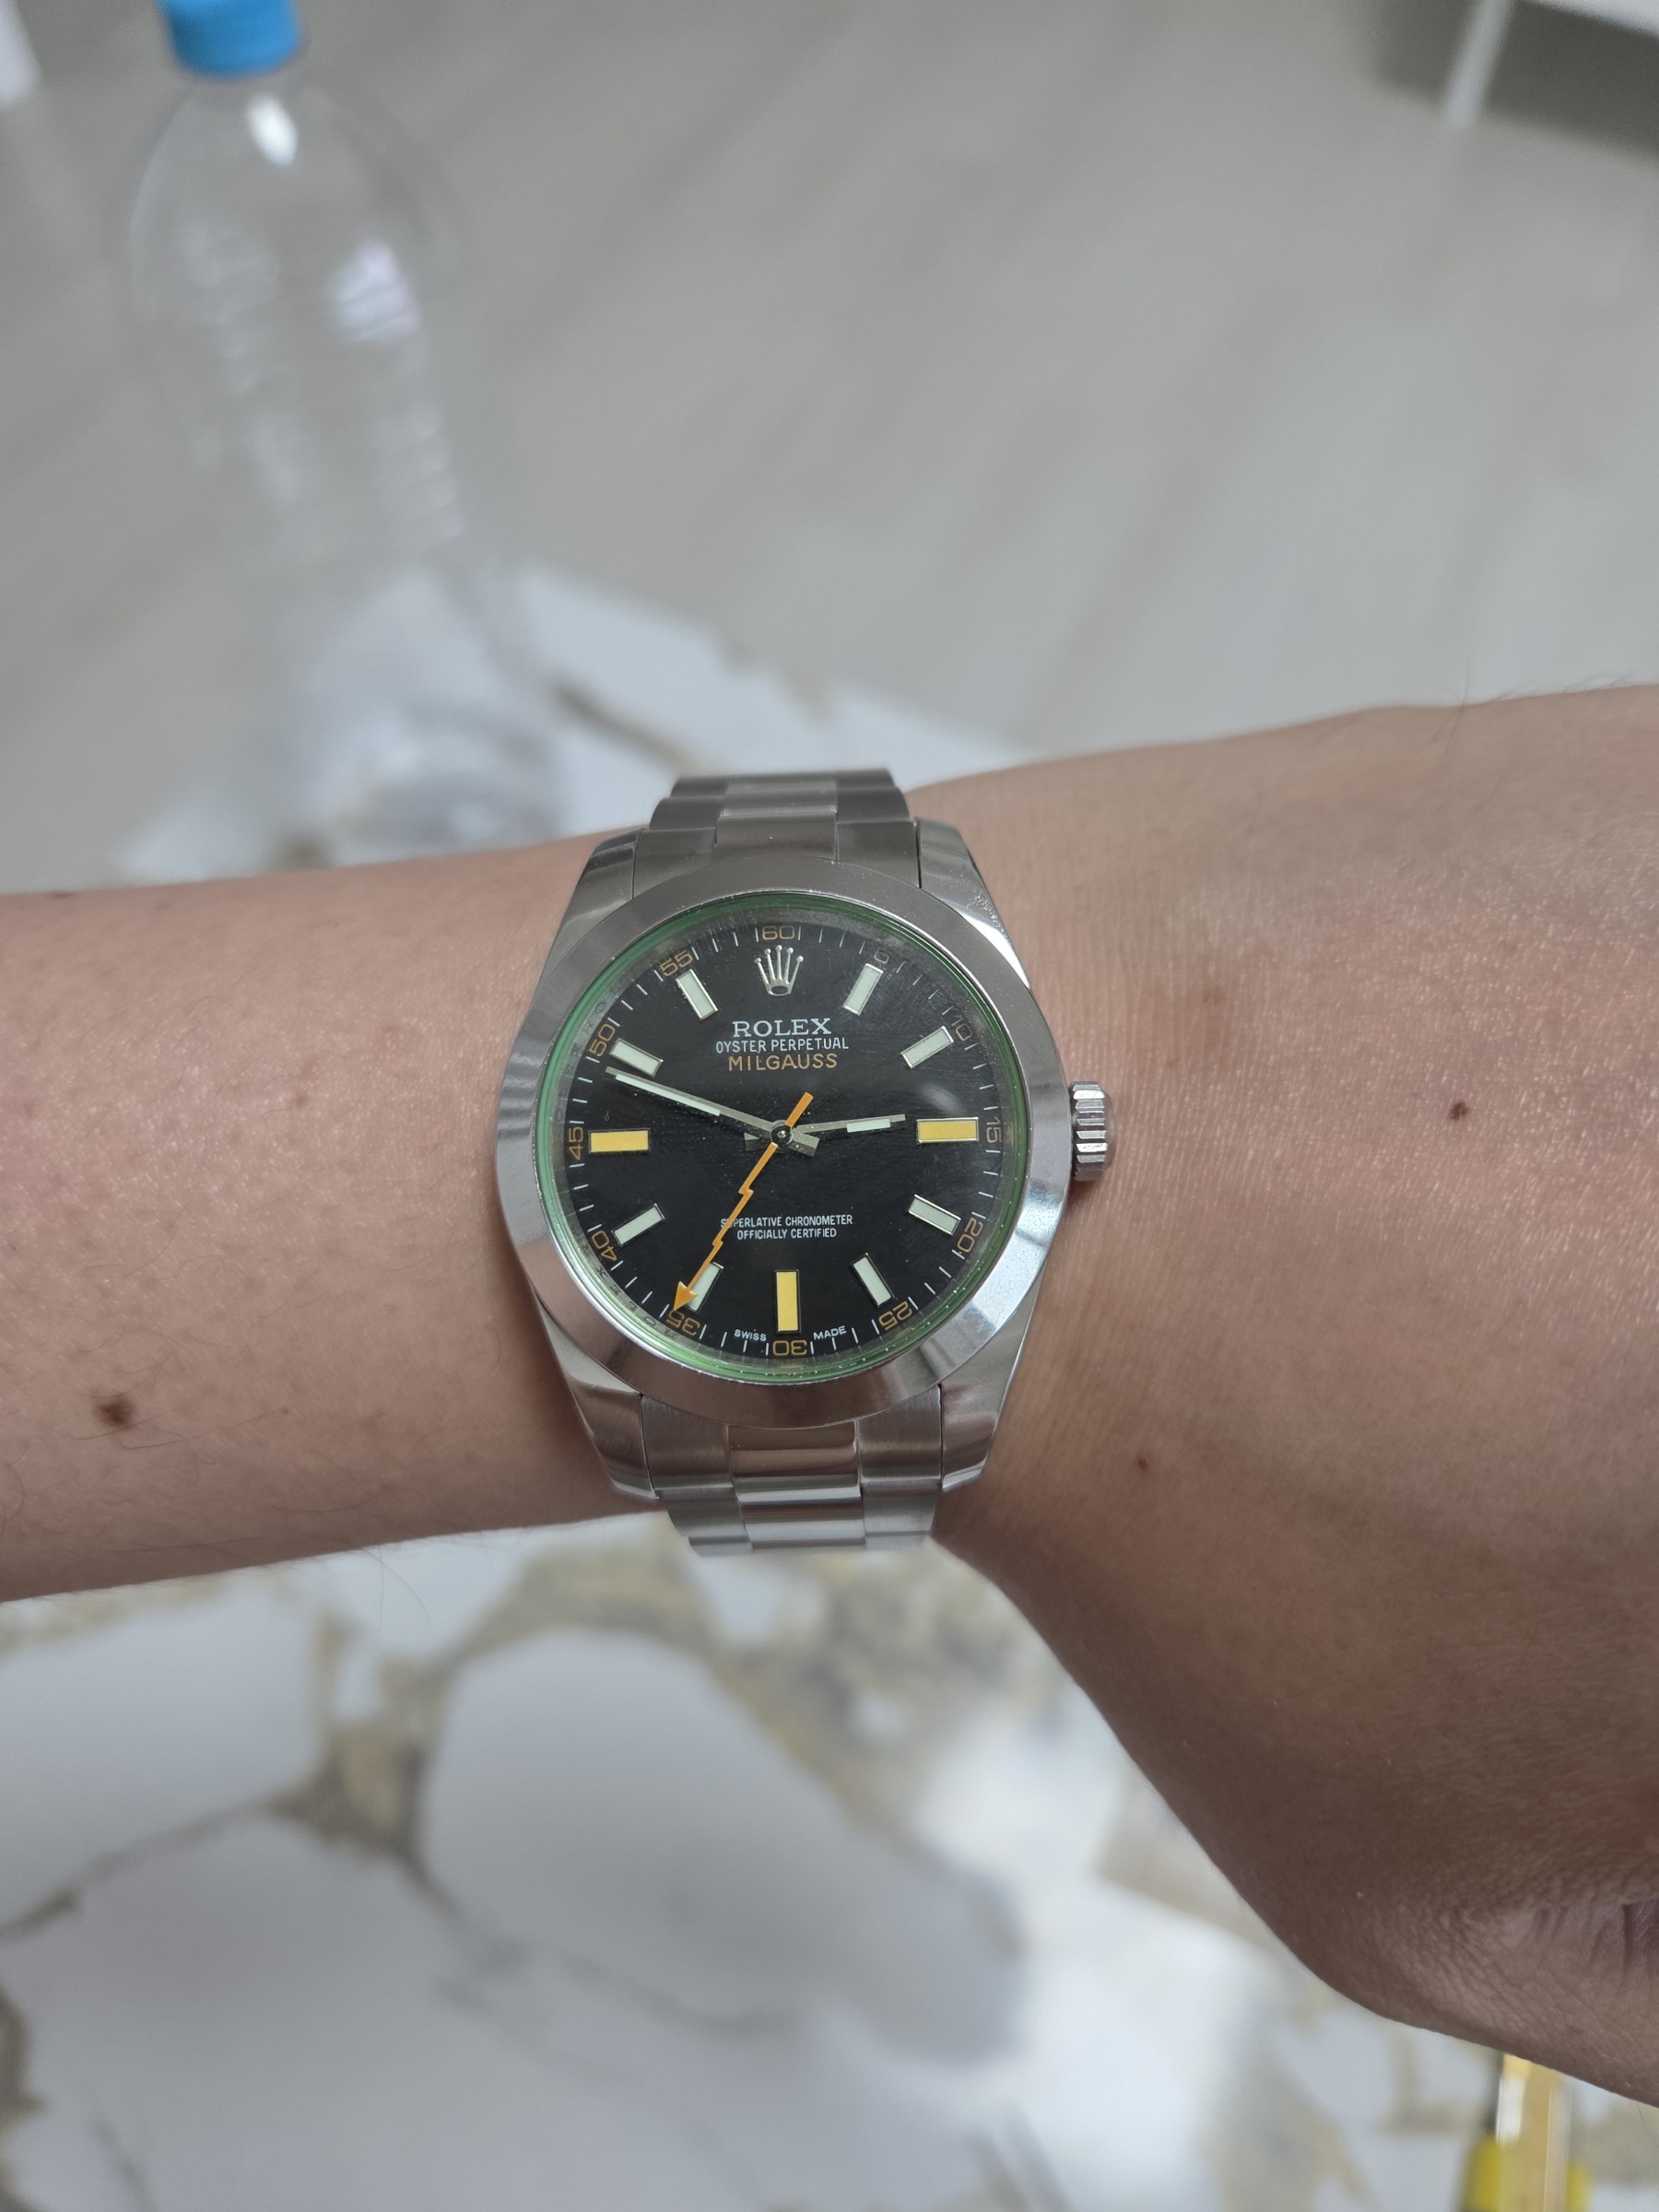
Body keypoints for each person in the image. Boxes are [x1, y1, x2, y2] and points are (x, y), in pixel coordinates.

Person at [3, 687, 1656, 2100]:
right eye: (774, 1130)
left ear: (1064, 1136)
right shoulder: (592, 1140)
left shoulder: (946, 1136)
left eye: (816, 1126)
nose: (792, 1138)